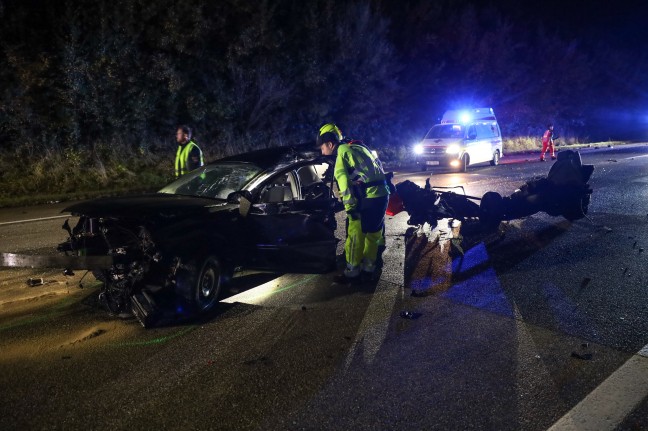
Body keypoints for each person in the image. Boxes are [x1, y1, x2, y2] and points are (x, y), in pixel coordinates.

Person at [316, 123, 390, 282]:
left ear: (330, 144)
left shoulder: (341, 153)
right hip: (382, 196)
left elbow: (344, 185)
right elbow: (377, 167)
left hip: (369, 199)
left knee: (355, 235)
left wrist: (350, 209)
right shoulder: (359, 146)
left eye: (322, 147)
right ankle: (369, 269)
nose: (321, 151)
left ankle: (352, 272)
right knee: (373, 235)